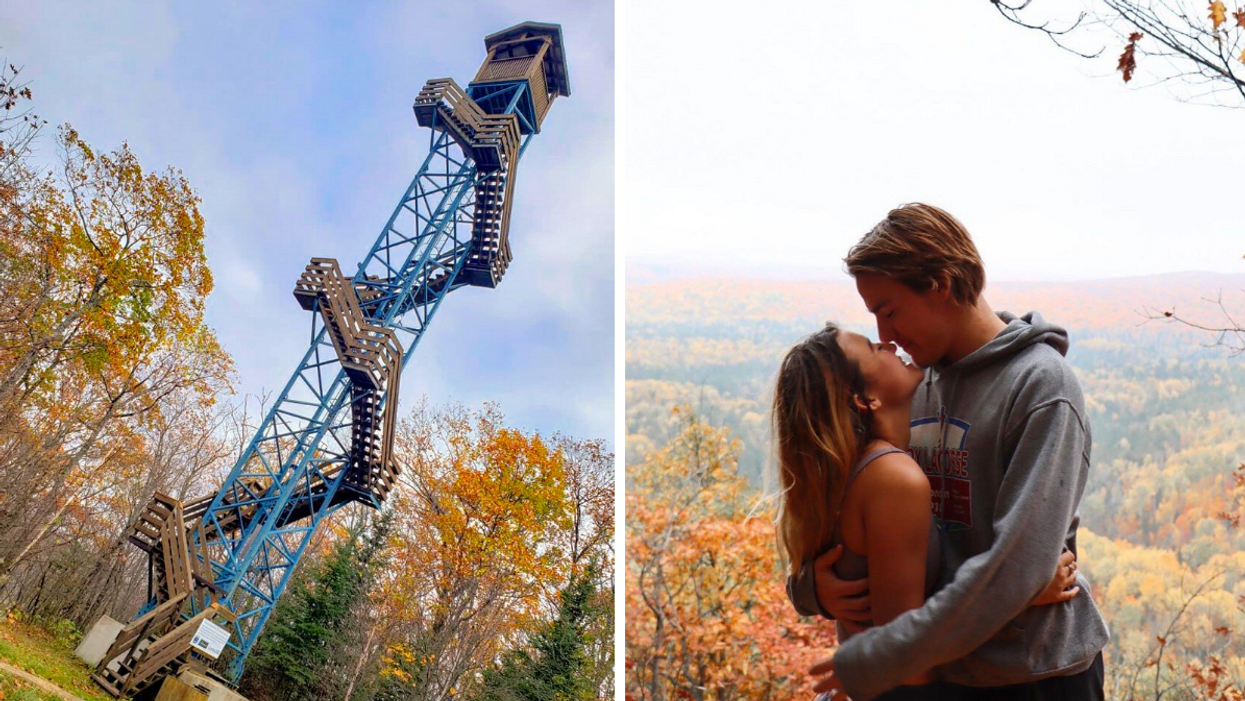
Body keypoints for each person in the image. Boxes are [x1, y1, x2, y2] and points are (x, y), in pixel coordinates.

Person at [791, 203, 1109, 701]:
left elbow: (1019, 564)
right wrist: (814, 587)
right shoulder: (912, 385)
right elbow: (837, 510)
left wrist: (883, 656)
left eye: (889, 310)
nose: (886, 336)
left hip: (1032, 675)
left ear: (939, 283)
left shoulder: (1040, 386)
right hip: (943, 673)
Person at [774, 324, 1081, 700]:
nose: (888, 340)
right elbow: (902, 663)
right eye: (874, 348)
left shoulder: (847, 467)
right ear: (865, 399)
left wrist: (1012, 586)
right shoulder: (892, 478)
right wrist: (1016, 591)